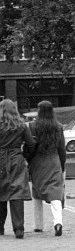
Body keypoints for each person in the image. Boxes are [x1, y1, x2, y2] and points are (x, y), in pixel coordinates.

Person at [27, 101, 67, 237]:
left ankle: (38, 225)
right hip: (54, 160)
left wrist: (28, 161)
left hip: (38, 162)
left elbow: (30, 146)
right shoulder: (58, 127)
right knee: (55, 193)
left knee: (37, 191)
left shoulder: (32, 126)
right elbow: (62, 149)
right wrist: (62, 166)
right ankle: (58, 222)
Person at [0, 99, 36, 239]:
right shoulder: (21, 126)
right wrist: (25, 155)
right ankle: (19, 229)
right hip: (16, 160)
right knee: (16, 192)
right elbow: (31, 143)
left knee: (1, 192)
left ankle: (0, 227)